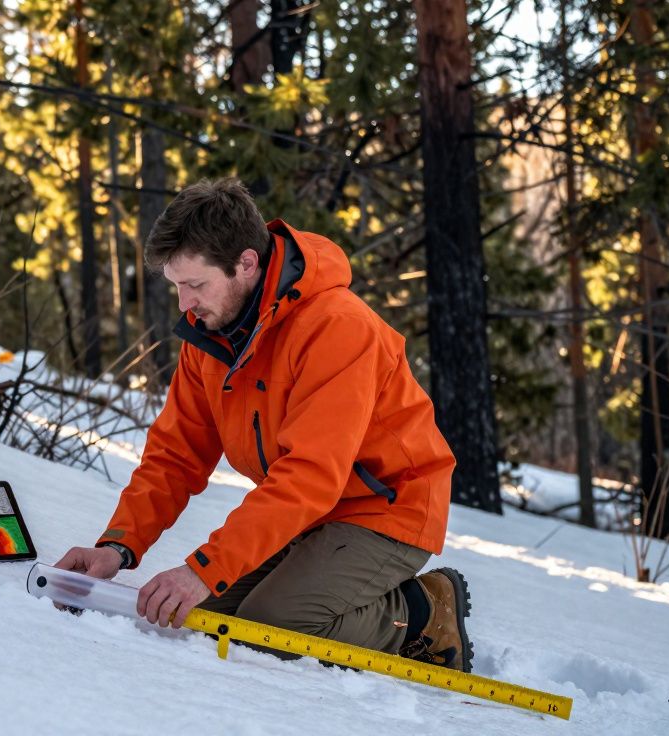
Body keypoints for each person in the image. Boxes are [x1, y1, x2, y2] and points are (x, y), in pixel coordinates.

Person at [56, 178, 473, 671]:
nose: (185, 303)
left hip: (385, 506)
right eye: (177, 286)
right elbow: (175, 456)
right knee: (202, 617)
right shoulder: (210, 336)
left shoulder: (337, 326)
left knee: (274, 628)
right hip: (309, 514)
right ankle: (330, 584)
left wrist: (203, 570)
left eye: (196, 284)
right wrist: (118, 547)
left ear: (247, 263)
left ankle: (422, 612)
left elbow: (312, 473)